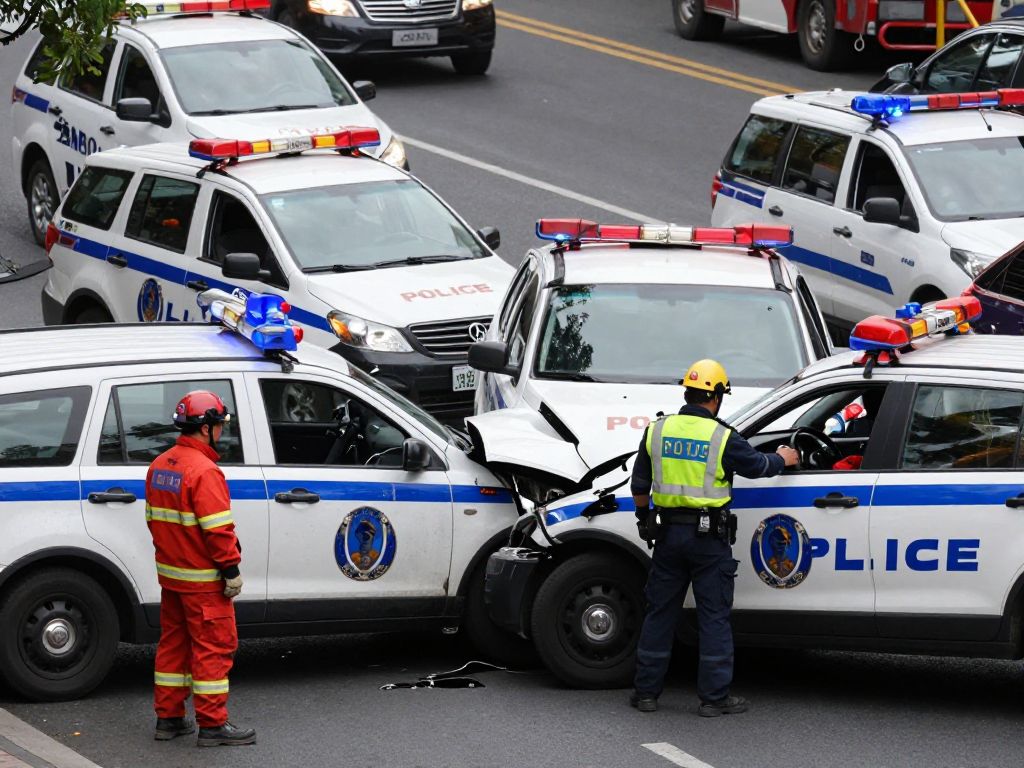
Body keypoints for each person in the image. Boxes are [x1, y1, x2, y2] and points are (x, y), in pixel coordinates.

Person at [629, 359, 799, 717]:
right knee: (714, 617)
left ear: (687, 392)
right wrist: (783, 458)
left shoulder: (656, 430)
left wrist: (644, 519)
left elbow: (640, 484)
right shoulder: (721, 436)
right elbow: (758, 466)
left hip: (668, 535)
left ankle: (646, 693)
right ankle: (713, 698)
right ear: (717, 396)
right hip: (708, 540)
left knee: (660, 613)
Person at [146, 390, 256, 747]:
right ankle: (212, 725)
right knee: (213, 648)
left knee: (173, 647)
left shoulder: (160, 465)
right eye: (220, 424)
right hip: (204, 582)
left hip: (172, 577)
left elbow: (156, 523)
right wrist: (231, 570)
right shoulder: (205, 471)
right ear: (206, 428)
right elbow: (218, 530)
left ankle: (169, 718)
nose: (222, 431)